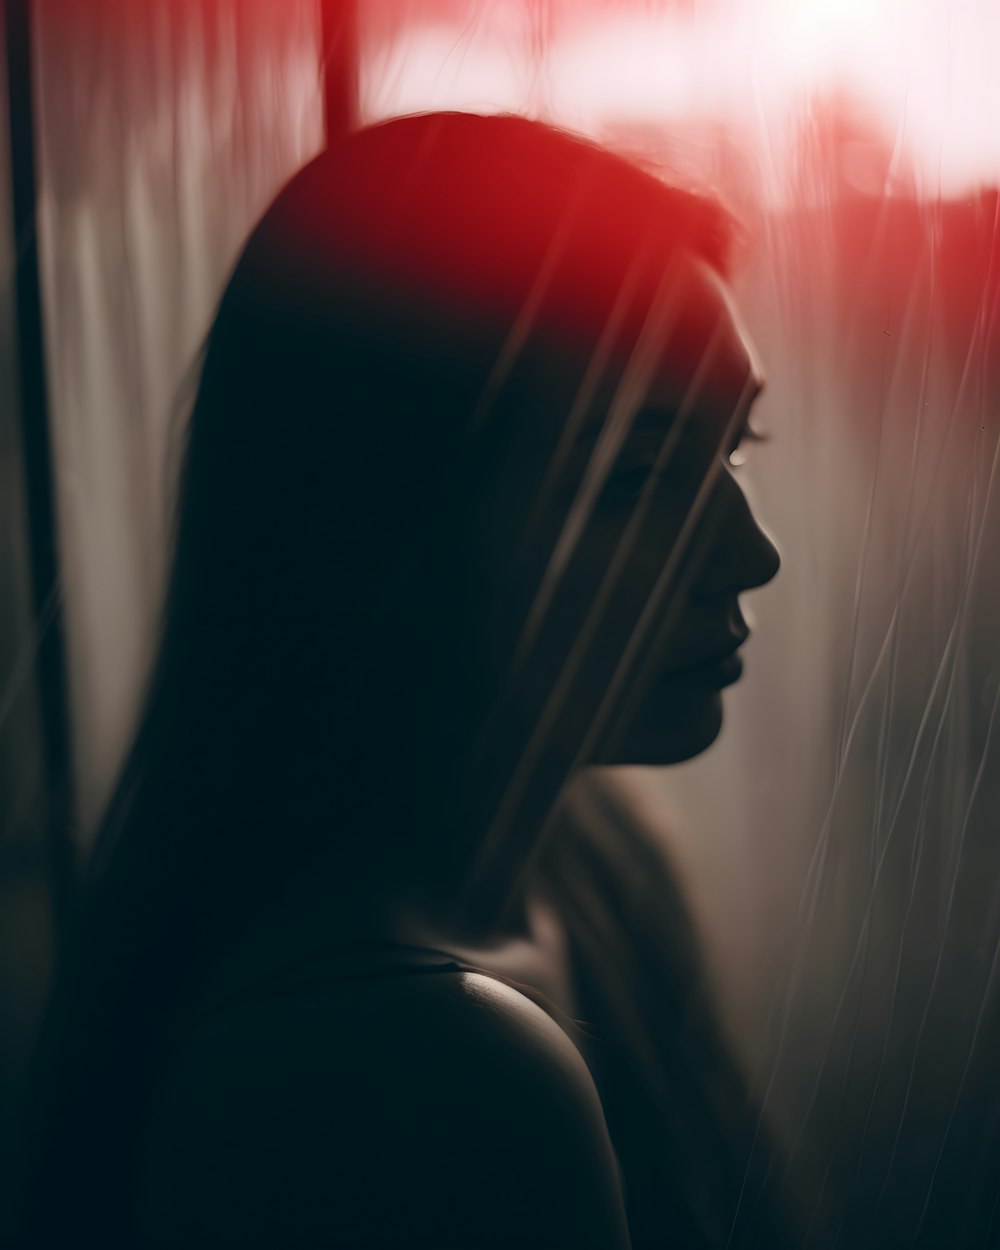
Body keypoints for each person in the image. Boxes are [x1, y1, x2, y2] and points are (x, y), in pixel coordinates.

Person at [12, 111, 794, 1248]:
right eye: (634, 475)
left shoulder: (586, 866)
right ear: (373, 529)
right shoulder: (406, 1068)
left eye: (732, 450)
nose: (752, 553)